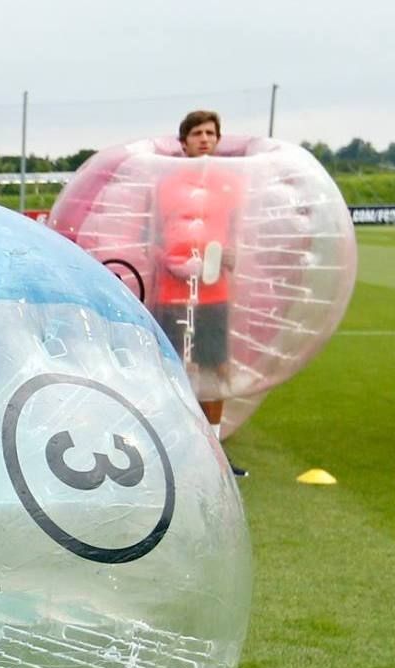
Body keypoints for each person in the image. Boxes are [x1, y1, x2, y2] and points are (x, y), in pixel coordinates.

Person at [153, 109, 246, 477]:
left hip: (214, 294)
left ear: (218, 139)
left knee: (215, 367)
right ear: (184, 142)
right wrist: (170, 261)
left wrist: (233, 256)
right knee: (173, 368)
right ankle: (174, 449)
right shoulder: (165, 183)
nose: (204, 139)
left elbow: (237, 232)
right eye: (196, 134)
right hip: (174, 294)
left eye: (210, 133)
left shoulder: (232, 183)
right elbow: (153, 235)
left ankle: (216, 455)